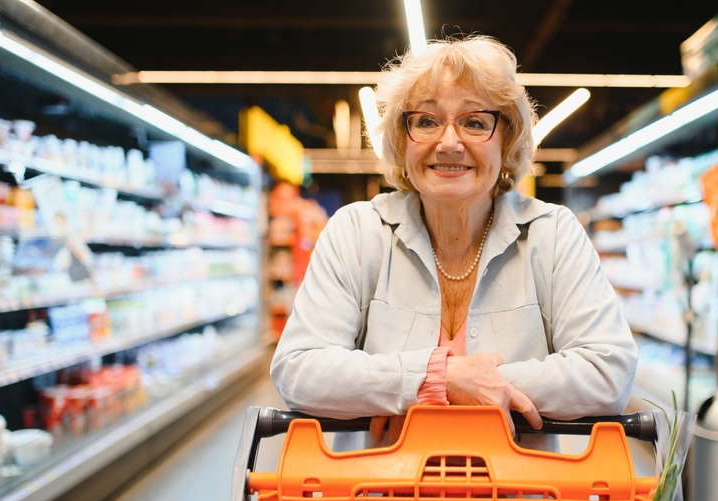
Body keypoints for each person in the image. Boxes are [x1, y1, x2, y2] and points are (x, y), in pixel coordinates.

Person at [271, 35, 637, 451]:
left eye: (475, 122)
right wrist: (442, 379)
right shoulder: (357, 231)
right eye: (426, 121)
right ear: (401, 138)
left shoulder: (552, 234)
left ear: (507, 140)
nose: (448, 142)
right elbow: (299, 369)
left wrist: (433, 387)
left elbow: (611, 372)